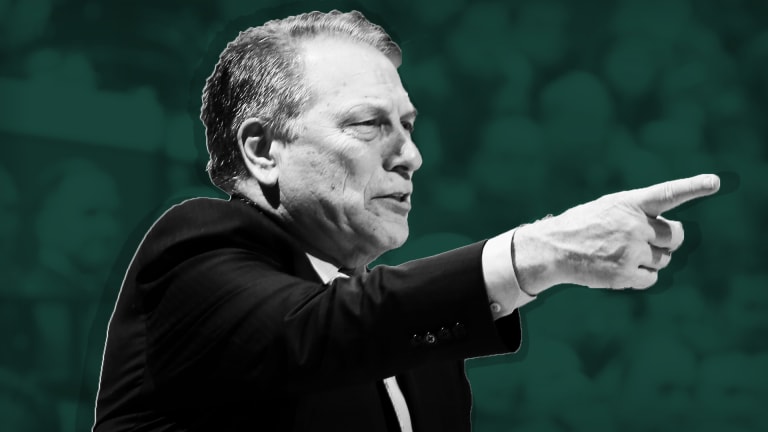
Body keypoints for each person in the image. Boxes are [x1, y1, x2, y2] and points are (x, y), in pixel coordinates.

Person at [94, 10, 720, 432]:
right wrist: (540, 250)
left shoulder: (423, 352)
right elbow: (316, 333)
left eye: (409, 126)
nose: (411, 156)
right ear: (262, 150)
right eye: (370, 124)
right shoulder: (194, 253)